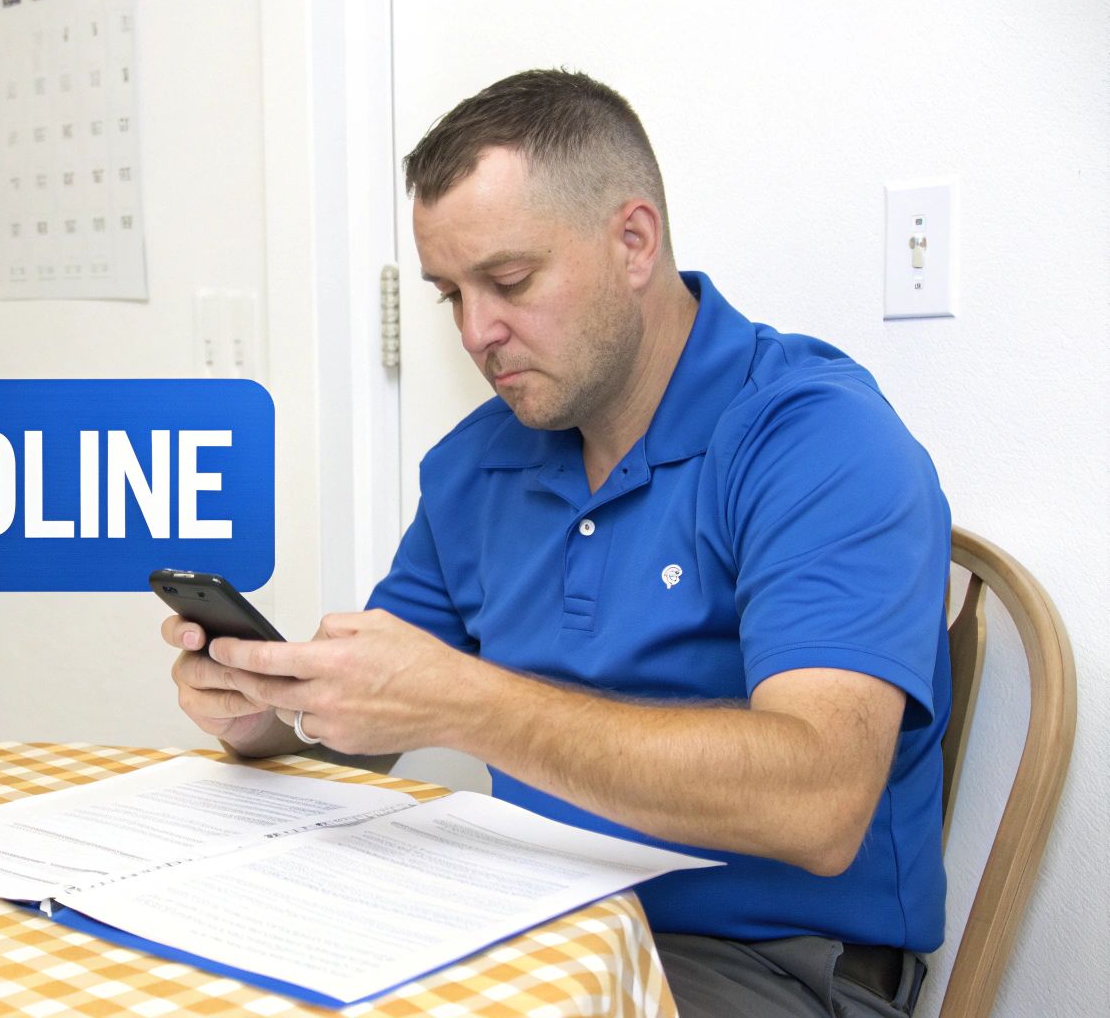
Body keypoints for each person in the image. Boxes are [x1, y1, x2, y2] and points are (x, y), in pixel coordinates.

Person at [162, 69, 948, 1018]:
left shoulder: (817, 439)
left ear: (633, 242)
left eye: (508, 280)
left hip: (766, 966)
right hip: (522, 920)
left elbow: (818, 803)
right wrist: (268, 714)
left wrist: (471, 706)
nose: (477, 332)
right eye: (450, 293)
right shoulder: (479, 464)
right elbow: (374, 730)